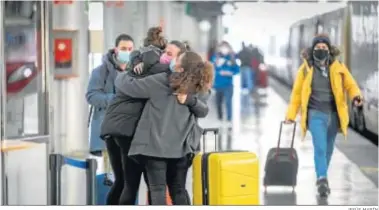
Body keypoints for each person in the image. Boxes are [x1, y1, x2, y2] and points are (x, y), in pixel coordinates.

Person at [100, 36, 191, 204]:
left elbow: (126, 83)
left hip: (116, 129)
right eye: (164, 52)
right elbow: (130, 86)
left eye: (169, 54)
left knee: (126, 183)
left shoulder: (146, 68)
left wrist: (127, 72)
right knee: (142, 185)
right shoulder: (162, 73)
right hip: (130, 132)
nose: (165, 56)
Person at [115, 51, 214, 205]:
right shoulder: (199, 86)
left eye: (177, 58)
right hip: (182, 147)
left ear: (180, 67)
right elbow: (203, 111)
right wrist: (190, 101)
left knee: (158, 189)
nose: (173, 60)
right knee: (179, 189)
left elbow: (130, 87)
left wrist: (123, 72)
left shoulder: (163, 80)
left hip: (155, 147)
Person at [284, 34, 363, 197]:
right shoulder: (305, 69)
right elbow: (297, 94)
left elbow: (351, 84)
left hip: (334, 116)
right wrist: (290, 115)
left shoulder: (339, 67)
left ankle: (322, 176)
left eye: (324, 48)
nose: (321, 50)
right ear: (313, 50)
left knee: (328, 149)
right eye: (318, 48)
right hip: (315, 115)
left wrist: (356, 97)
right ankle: (322, 179)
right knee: (320, 148)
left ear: (329, 50)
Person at [86, 34, 134, 154]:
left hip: (131, 134)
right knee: (112, 171)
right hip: (108, 132)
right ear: (116, 49)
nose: (127, 52)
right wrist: (116, 99)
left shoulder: (136, 71)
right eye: (123, 49)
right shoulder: (101, 71)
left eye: (130, 49)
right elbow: (92, 96)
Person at [211, 41, 239, 123]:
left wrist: (230, 73)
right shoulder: (215, 58)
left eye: (226, 47)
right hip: (218, 84)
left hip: (228, 85)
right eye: (222, 47)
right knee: (218, 102)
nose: (224, 49)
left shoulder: (231, 58)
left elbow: (237, 70)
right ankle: (220, 117)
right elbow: (211, 69)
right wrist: (217, 66)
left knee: (228, 102)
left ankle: (229, 118)